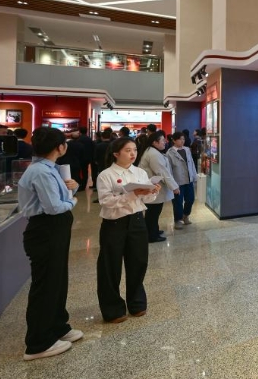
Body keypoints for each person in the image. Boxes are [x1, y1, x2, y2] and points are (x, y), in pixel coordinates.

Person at [18, 127, 83, 360]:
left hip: (54, 228)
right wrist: (73, 201)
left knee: (57, 279)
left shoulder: (49, 168)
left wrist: (71, 188)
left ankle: (57, 326)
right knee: (46, 284)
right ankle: (38, 342)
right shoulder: (41, 172)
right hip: (46, 229)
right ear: (60, 147)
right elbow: (53, 207)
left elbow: (57, 198)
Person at [95, 138, 161, 323]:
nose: (133, 154)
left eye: (134, 150)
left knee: (138, 262)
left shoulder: (140, 172)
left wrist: (152, 191)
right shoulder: (106, 175)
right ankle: (113, 309)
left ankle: (137, 303)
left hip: (137, 221)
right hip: (114, 224)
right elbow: (106, 201)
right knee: (110, 266)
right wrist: (132, 194)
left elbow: (145, 200)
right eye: (128, 150)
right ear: (116, 154)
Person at [138, 130, 179, 243]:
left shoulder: (152, 151)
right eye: (162, 141)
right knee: (153, 212)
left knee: (154, 212)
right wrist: (174, 187)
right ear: (154, 142)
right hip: (153, 188)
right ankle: (152, 235)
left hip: (154, 187)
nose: (165, 142)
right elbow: (162, 172)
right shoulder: (153, 154)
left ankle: (154, 230)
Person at [166, 131, 197, 229]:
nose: (182, 141)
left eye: (183, 139)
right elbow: (169, 170)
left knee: (190, 199)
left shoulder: (187, 150)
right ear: (174, 140)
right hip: (177, 181)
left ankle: (185, 215)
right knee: (178, 202)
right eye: (180, 139)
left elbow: (192, 163)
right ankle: (177, 220)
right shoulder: (169, 153)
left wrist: (194, 176)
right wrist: (172, 184)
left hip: (189, 180)